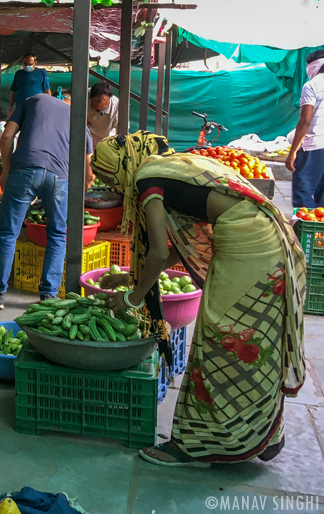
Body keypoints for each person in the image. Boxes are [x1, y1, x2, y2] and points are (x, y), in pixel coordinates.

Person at [92, 131, 305, 466]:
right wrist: (130, 278)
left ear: (121, 167)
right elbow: (171, 250)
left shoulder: (148, 181)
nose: (114, 188)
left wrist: (134, 297)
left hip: (248, 245)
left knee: (219, 337)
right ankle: (264, 434)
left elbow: (160, 251)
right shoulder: (166, 166)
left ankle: (194, 445)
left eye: (110, 178)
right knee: (256, 340)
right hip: (263, 236)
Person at [0, 94, 94, 309]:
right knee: (57, 235)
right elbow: (88, 168)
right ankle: (49, 295)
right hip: (59, 178)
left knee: (8, 233)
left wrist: (6, 170)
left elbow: (6, 137)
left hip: (24, 169)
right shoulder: (77, 115)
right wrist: (80, 186)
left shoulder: (32, 100)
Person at [286, 48, 324, 207]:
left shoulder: (311, 85)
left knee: (305, 196)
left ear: (313, 66)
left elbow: (305, 121)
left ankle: (304, 230)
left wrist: (292, 152)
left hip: (312, 149)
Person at [86, 81, 120, 147]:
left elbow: (121, 132)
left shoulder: (117, 106)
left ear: (110, 99)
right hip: (85, 139)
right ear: (90, 98)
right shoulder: (83, 97)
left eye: (103, 108)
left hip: (106, 142)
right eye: (95, 108)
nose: (99, 110)